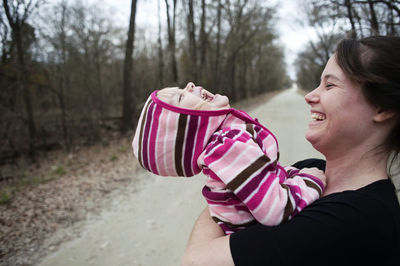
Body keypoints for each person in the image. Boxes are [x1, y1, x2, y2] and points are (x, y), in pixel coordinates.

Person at [181, 35, 400, 266]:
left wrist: (231, 177)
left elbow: (195, 261)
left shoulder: (358, 219)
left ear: (381, 107)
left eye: (330, 85)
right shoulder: (309, 168)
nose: (309, 96)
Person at [132, 82, 326, 235]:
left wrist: (289, 173)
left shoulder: (219, 148)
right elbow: (275, 209)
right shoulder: (228, 146)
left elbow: (263, 178)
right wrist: (309, 181)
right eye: (181, 96)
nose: (190, 85)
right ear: (185, 126)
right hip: (258, 239)